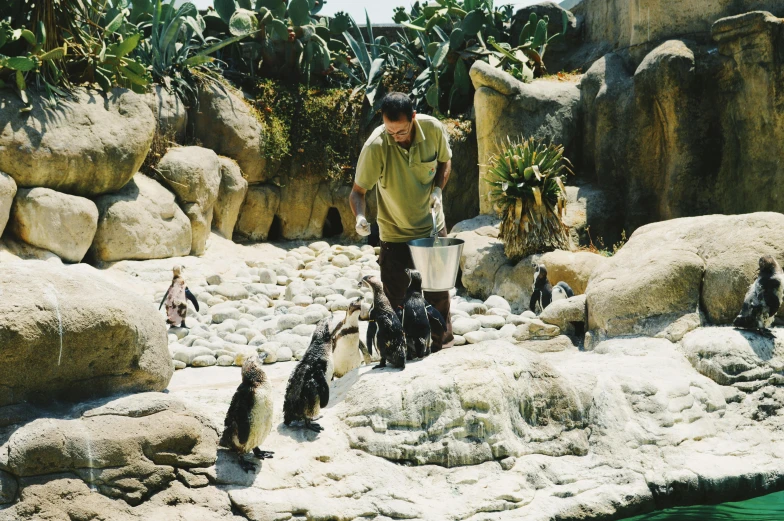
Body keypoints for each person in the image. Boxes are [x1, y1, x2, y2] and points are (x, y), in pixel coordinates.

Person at [349, 92, 454, 350]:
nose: (396, 137)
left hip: (431, 227)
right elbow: (357, 192)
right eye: (390, 131)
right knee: (395, 301)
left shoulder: (433, 129)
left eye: (402, 132)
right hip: (395, 234)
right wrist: (360, 216)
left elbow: (444, 161)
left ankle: (441, 349)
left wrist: (438, 190)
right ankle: (401, 353)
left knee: (437, 295)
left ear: (413, 118)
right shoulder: (376, 146)